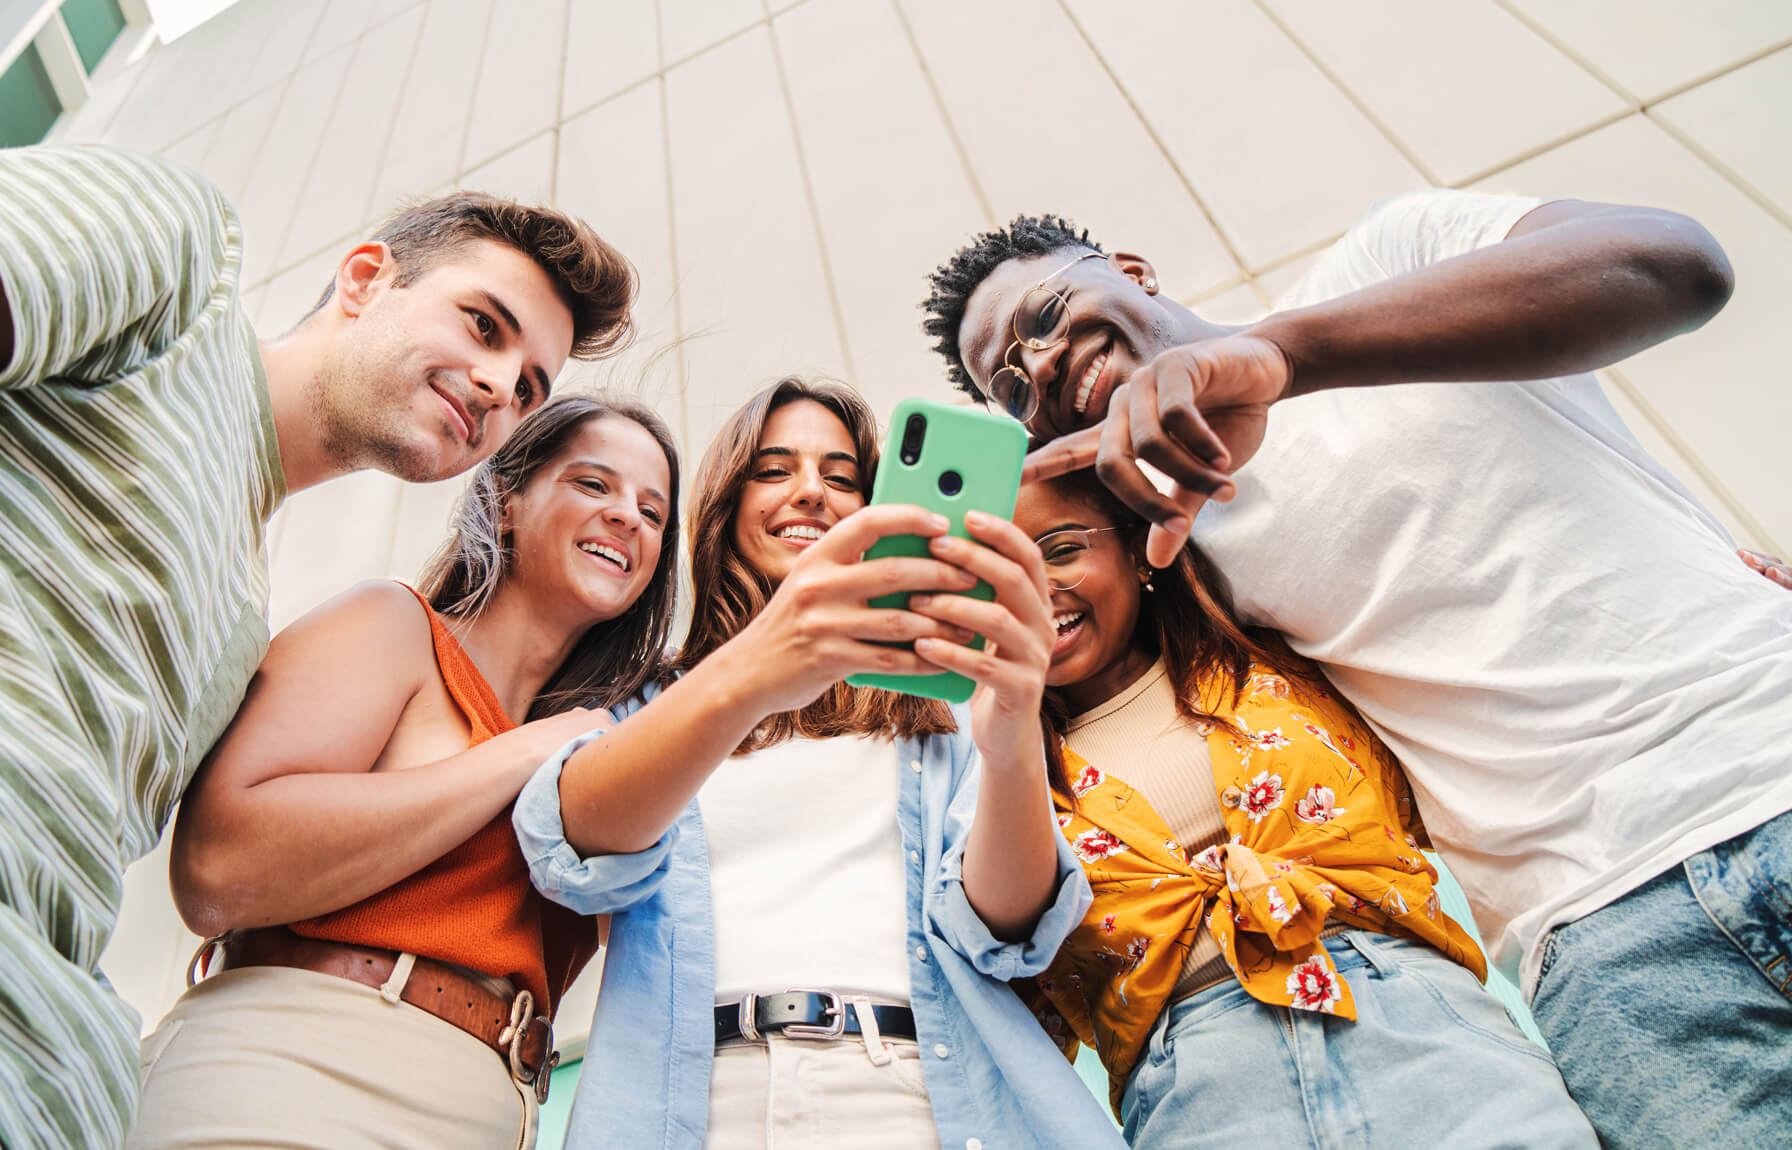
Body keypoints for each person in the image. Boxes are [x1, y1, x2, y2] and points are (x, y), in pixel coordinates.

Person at [922, 197, 1792, 1146]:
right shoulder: (1179, 555)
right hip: (1591, 929)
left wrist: (1285, 359)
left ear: (1130, 270)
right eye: (1008, 383)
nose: (1039, 362)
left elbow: (1679, 265)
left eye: (1043, 315)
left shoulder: (1389, 268)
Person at [0, 144, 635, 1150]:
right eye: (482, 326)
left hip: (25, 1077)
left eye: (530, 385)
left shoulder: (240, 622)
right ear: (366, 280)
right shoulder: (176, 270)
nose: (499, 383)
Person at [513, 377, 1126, 1149]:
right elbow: (573, 851)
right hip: (698, 1105)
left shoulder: (944, 709)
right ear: (725, 505)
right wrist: (758, 668)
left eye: (841, 477)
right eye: (774, 470)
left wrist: (1011, 743)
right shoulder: (647, 705)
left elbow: (1006, 929)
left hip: (913, 1093)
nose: (809, 493)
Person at [124, 395, 679, 1149]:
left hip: (495, 1110)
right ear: (504, 503)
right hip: (297, 1075)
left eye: (653, 512)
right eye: (593, 484)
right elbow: (216, 868)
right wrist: (515, 754)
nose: (628, 518)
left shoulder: (604, 757)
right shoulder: (393, 627)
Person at [1015, 466, 1598, 1147]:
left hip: (1419, 1025)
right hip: (1202, 1093)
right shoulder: (991, 781)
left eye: (1060, 550)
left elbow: (1479, 649)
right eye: (995, 576)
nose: (1032, 590)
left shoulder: (1282, 657)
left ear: (1138, 550)